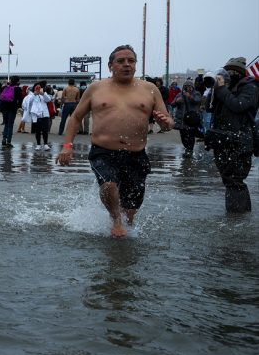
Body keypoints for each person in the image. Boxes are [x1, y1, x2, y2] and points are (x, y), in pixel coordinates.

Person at [56, 45, 174, 238]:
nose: (126, 65)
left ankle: (126, 220)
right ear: (111, 66)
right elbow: (76, 117)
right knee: (108, 185)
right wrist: (67, 147)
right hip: (103, 151)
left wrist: (166, 122)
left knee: (131, 208)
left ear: (135, 65)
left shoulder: (150, 89)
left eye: (131, 61)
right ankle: (115, 221)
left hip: (136, 154)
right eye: (121, 61)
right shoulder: (96, 88)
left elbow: (169, 122)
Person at [204, 57, 258, 213]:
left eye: (231, 72)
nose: (228, 74)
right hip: (222, 139)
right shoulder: (225, 88)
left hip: (240, 141)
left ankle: (237, 218)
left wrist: (222, 89)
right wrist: (213, 88)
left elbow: (238, 105)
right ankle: (240, 216)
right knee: (229, 180)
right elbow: (209, 108)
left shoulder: (250, 86)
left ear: (239, 73)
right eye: (226, 71)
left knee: (235, 179)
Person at [171, 79, 202, 158]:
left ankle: (189, 150)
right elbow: (172, 104)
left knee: (191, 135)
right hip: (181, 120)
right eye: (186, 86)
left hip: (191, 119)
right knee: (183, 136)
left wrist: (190, 97)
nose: (187, 88)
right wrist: (177, 101)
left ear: (192, 87)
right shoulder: (179, 94)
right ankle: (187, 148)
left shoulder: (196, 93)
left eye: (189, 86)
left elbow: (197, 101)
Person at [22, 83, 52, 150]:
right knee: (37, 130)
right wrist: (34, 94)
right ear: (34, 89)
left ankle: (45, 144)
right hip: (36, 115)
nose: (38, 89)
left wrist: (43, 94)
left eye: (39, 88)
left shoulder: (44, 94)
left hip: (45, 114)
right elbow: (28, 103)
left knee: (45, 130)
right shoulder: (31, 95)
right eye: (36, 88)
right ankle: (38, 144)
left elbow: (48, 100)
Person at [0, 77, 17, 147]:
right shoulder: (17, 88)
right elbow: (20, 99)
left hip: (5, 109)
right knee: (10, 125)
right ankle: (8, 142)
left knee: (6, 124)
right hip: (12, 109)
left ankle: (4, 139)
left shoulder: (5, 87)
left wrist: (2, 83)